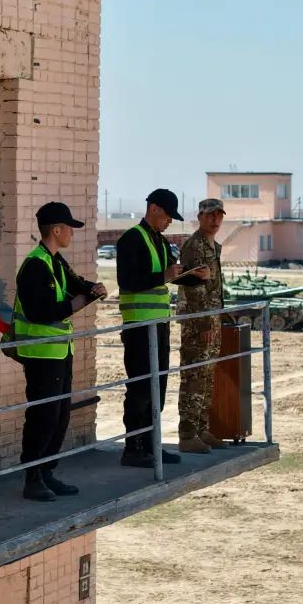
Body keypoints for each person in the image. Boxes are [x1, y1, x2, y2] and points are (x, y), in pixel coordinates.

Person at [13, 202, 106, 501]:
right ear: (56, 230)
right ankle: (33, 476)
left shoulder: (55, 261)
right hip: (40, 354)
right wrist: (73, 305)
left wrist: (92, 288)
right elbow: (38, 310)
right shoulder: (35, 264)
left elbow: (75, 285)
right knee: (43, 415)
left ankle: (47, 471)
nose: (72, 234)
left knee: (60, 415)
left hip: (59, 351)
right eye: (69, 228)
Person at [116, 189, 209, 468]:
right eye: (168, 215)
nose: (170, 221)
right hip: (138, 326)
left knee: (158, 386)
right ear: (154, 208)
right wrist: (165, 275)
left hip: (158, 326)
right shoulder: (132, 238)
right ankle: (134, 448)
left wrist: (196, 277)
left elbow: (171, 275)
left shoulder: (159, 239)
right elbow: (127, 279)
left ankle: (152, 445)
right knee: (141, 388)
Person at [178, 198, 230, 453]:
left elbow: (213, 288)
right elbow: (194, 288)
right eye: (210, 215)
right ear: (199, 217)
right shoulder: (194, 246)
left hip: (212, 319)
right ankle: (187, 434)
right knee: (194, 377)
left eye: (219, 215)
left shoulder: (213, 246)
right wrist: (203, 324)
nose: (215, 220)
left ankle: (200, 429)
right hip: (198, 323)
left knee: (207, 377)